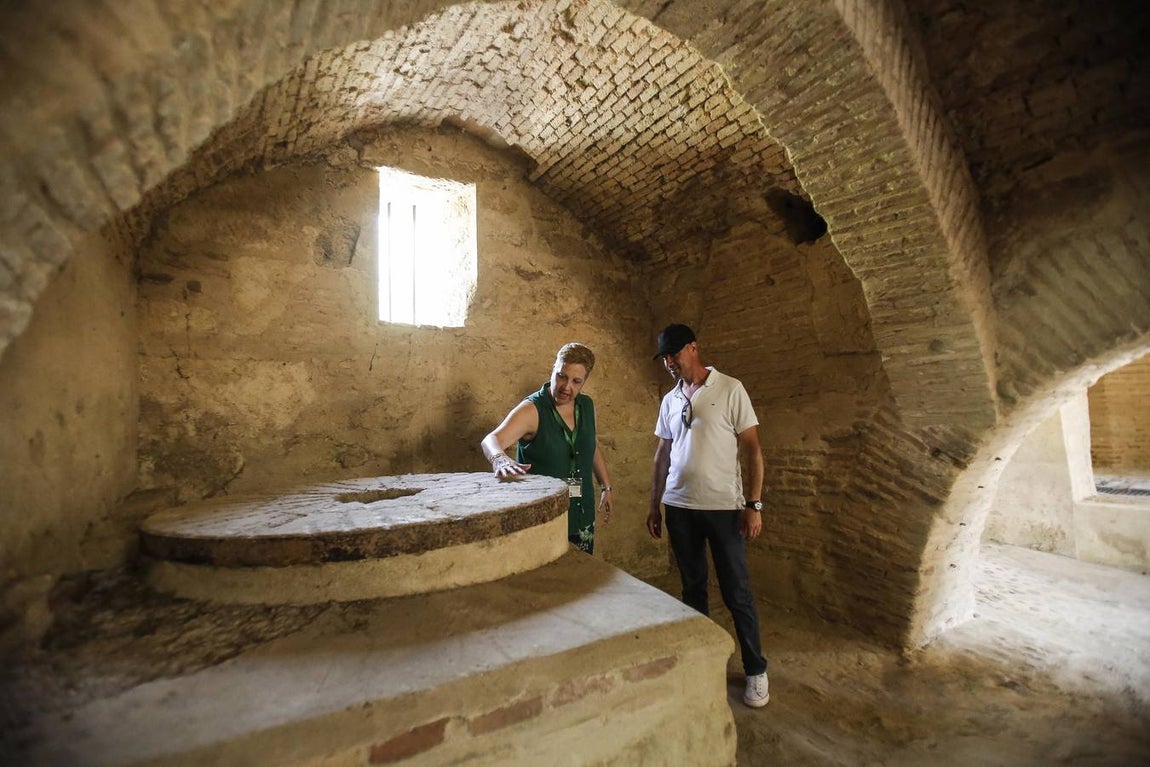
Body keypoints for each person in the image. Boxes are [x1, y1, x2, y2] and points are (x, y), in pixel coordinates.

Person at [645, 323, 770, 708]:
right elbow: (663, 455)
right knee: (692, 589)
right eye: (664, 357)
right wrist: (655, 504)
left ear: (694, 348)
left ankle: (755, 671)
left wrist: (753, 504)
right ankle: (701, 663)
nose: (669, 362)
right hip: (680, 507)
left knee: (737, 592)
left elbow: (752, 449)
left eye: (674, 354)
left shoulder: (730, 389)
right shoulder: (669, 400)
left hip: (723, 509)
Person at [481, 342, 613, 553]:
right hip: (544, 516)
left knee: (581, 577)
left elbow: (589, 445)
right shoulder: (532, 409)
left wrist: (606, 486)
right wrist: (499, 458)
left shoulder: (586, 406)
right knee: (549, 582)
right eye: (562, 376)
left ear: (584, 382)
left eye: (576, 381)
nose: (566, 386)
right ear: (553, 369)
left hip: (581, 512)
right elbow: (491, 440)